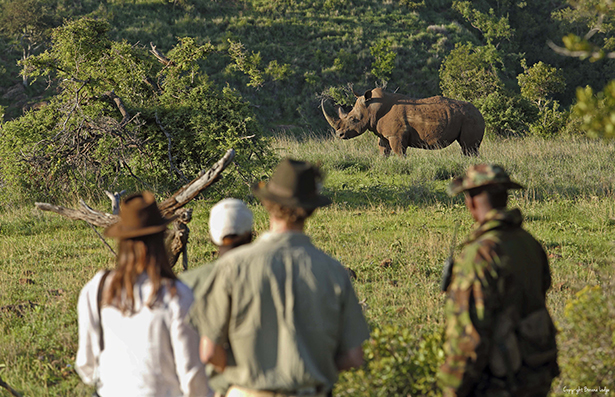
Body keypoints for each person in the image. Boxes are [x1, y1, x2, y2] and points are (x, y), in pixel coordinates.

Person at [188, 158, 370, 397]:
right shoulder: (333, 271)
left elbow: (209, 352)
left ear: (267, 204)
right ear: (312, 209)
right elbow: (354, 357)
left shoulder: (233, 266)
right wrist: (314, 369)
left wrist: (243, 374)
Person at [438, 164, 559, 397]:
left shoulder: (480, 254)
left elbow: (470, 336)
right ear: (505, 196)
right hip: (535, 376)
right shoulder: (529, 244)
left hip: (498, 382)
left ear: (471, 202)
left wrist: (452, 388)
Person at [76, 191, 212, 397]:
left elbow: (86, 366)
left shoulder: (97, 288)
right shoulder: (177, 294)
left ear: (121, 240)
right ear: (160, 239)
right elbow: (191, 374)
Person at [181, 198, 254, 397]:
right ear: (251, 235)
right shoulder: (273, 277)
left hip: (209, 387)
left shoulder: (187, 282)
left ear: (212, 238)